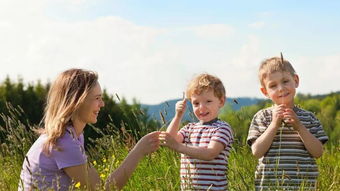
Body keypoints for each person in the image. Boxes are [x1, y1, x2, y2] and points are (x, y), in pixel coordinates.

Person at [18, 68, 160, 191]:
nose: (102, 104)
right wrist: (138, 151)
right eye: (97, 98)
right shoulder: (64, 142)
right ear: (77, 101)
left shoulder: (72, 136)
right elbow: (103, 189)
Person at [247, 57, 329, 190]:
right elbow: (256, 152)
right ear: (265, 91)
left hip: (303, 186)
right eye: (273, 85)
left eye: (285, 81)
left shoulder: (309, 118)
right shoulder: (262, 117)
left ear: (295, 81)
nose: (281, 88)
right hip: (270, 186)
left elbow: (318, 152)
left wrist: (299, 126)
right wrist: (274, 125)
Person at [159, 73, 234, 190]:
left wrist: (179, 147)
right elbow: (169, 139)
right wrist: (178, 116)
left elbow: (210, 153)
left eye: (208, 101)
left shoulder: (222, 128)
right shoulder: (189, 128)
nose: (201, 107)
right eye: (196, 103)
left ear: (221, 101)